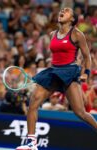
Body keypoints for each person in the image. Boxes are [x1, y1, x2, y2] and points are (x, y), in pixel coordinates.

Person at [16, 7, 97, 150]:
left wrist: (86, 73)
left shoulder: (77, 34)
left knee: (80, 112)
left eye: (66, 11)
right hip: (53, 71)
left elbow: (87, 56)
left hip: (69, 72)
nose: (62, 11)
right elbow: (56, 55)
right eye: (61, 10)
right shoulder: (53, 34)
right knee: (33, 103)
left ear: (72, 19)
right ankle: (31, 143)